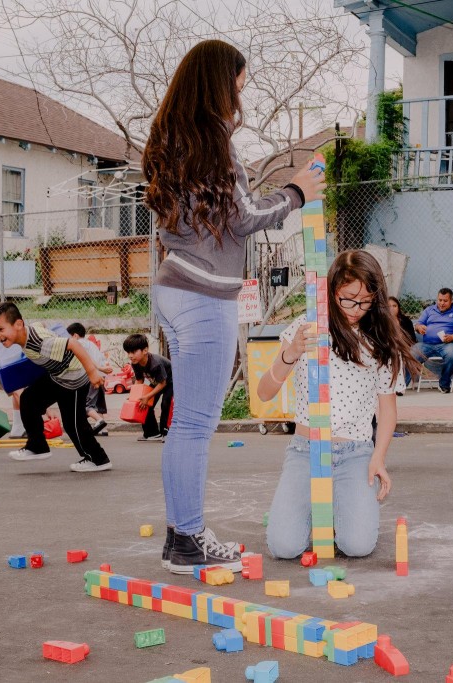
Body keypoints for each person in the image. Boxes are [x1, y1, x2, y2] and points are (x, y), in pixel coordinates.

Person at [142, 39, 325, 572]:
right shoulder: (211, 141)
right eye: (239, 85)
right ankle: (187, 540)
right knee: (195, 424)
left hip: (177, 287)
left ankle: (184, 536)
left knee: (187, 421)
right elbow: (243, 216)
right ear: (221, 82)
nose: (240, 97)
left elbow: (220, 214)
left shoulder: (173, 138)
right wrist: (295, 193)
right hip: (201, 295)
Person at [257, 251, 419, 559]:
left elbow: (388, 410)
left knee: (357, 546)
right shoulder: (305, 329)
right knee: (284, 547)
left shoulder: (380, 341)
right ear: (332, 291)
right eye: (348, 299)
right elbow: (265, 393)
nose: (357, 309)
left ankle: (339, 505)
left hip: (354, 453)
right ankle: (321, 507)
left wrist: (378, 458)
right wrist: (290, 353)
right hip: (306, 449)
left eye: (366, 301)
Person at [0, 302, 110, 473]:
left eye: (0, 329)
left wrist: (93, 371)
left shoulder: (39, 343)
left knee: (73, 423)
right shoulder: (29, 332)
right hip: (57, 375)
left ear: (19, 324)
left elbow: (74, 345)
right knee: (28, 399)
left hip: (73, 380)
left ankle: (98, 459)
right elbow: (43, 326)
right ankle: (37, 446)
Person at [410, 288, 453, 393]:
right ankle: (400, 385)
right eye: (440, 300)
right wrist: (419, 327)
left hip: (447, 344)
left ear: (451, 301)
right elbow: (418, 325)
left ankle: (444, 384)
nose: (442, 303)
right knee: (411, 353)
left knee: (452, 353)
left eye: (445, 301)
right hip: (426, 344)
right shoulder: (429, 310)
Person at [122, 333, 174, 442]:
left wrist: (147, 396)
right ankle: (152, 433)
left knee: (165, 404)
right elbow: (139, 380)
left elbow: (163, 383)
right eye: (128, 352)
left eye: (133, 352)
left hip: (170, 382)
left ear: (145, 350)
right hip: (156, 382)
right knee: (143, 404)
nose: (130, 355)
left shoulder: (156, 363)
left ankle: (166, 432)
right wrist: (134, 397)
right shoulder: (135, 363)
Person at [67, 323, 113, 436]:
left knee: (85, 404)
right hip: (101, 376)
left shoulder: (78, 344)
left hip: (90, 377)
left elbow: (86, 358)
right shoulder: (91, 344)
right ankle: (103, 429)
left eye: (69, 336)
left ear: (75, 336)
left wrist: (97, 368)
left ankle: (99, 420)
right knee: (98, 402)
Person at [388, 296, 416, 391]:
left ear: (398, 308)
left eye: (394, 306)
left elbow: (412, 339)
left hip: (404, 347)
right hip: (388, 348)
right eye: (389, 306)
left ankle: (401, 386)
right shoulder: (381, 322)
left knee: (406, 356)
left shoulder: (406, 321)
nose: (391, 308)